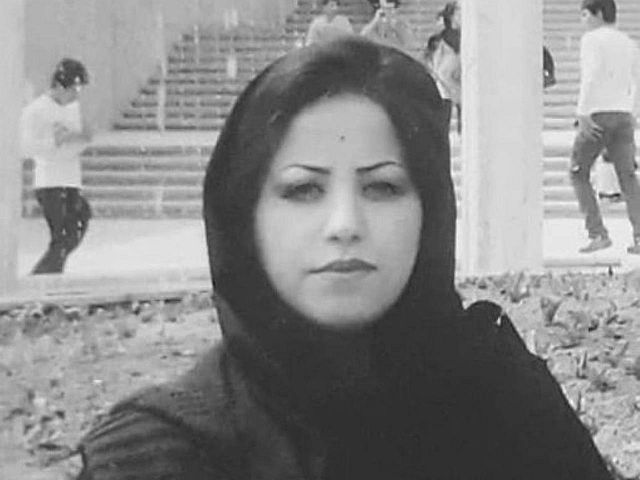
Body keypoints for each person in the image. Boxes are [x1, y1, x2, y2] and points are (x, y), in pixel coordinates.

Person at [74, 37, 614, 479]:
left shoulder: (502, 399)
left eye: (382, 187)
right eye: (303, 190)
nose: (345, 224)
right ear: (244, 216)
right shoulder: (165, 452)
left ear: (429, 212)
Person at [570, 0, 640, 254]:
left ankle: (597, 232)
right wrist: (633, 111)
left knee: (578, 172)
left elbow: (591, 75)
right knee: (628, 177)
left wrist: (582, 111)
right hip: (622, 113)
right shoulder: (628, 42)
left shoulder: (592, 40)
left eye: (585, 15)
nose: (583, 21)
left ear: (598, 14)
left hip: (598, 114)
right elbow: (637, 79)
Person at [20, 58, 93, 274]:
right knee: (62, 236)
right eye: (73, 90)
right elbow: (24, 147)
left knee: (76, 227)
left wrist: (81, 137)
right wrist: (54, 141)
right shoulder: (36, 110)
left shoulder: (73, 109)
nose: (76, 96)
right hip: (49, 181)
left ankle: (48, 273)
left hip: (71, 179)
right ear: (60, 86)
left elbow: (80, 140)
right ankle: (42, 276)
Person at [424, 1, 461, 132]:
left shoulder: (463, 36)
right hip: (447, 87)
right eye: (457, 13)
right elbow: (439, 68)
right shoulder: (441, 40)